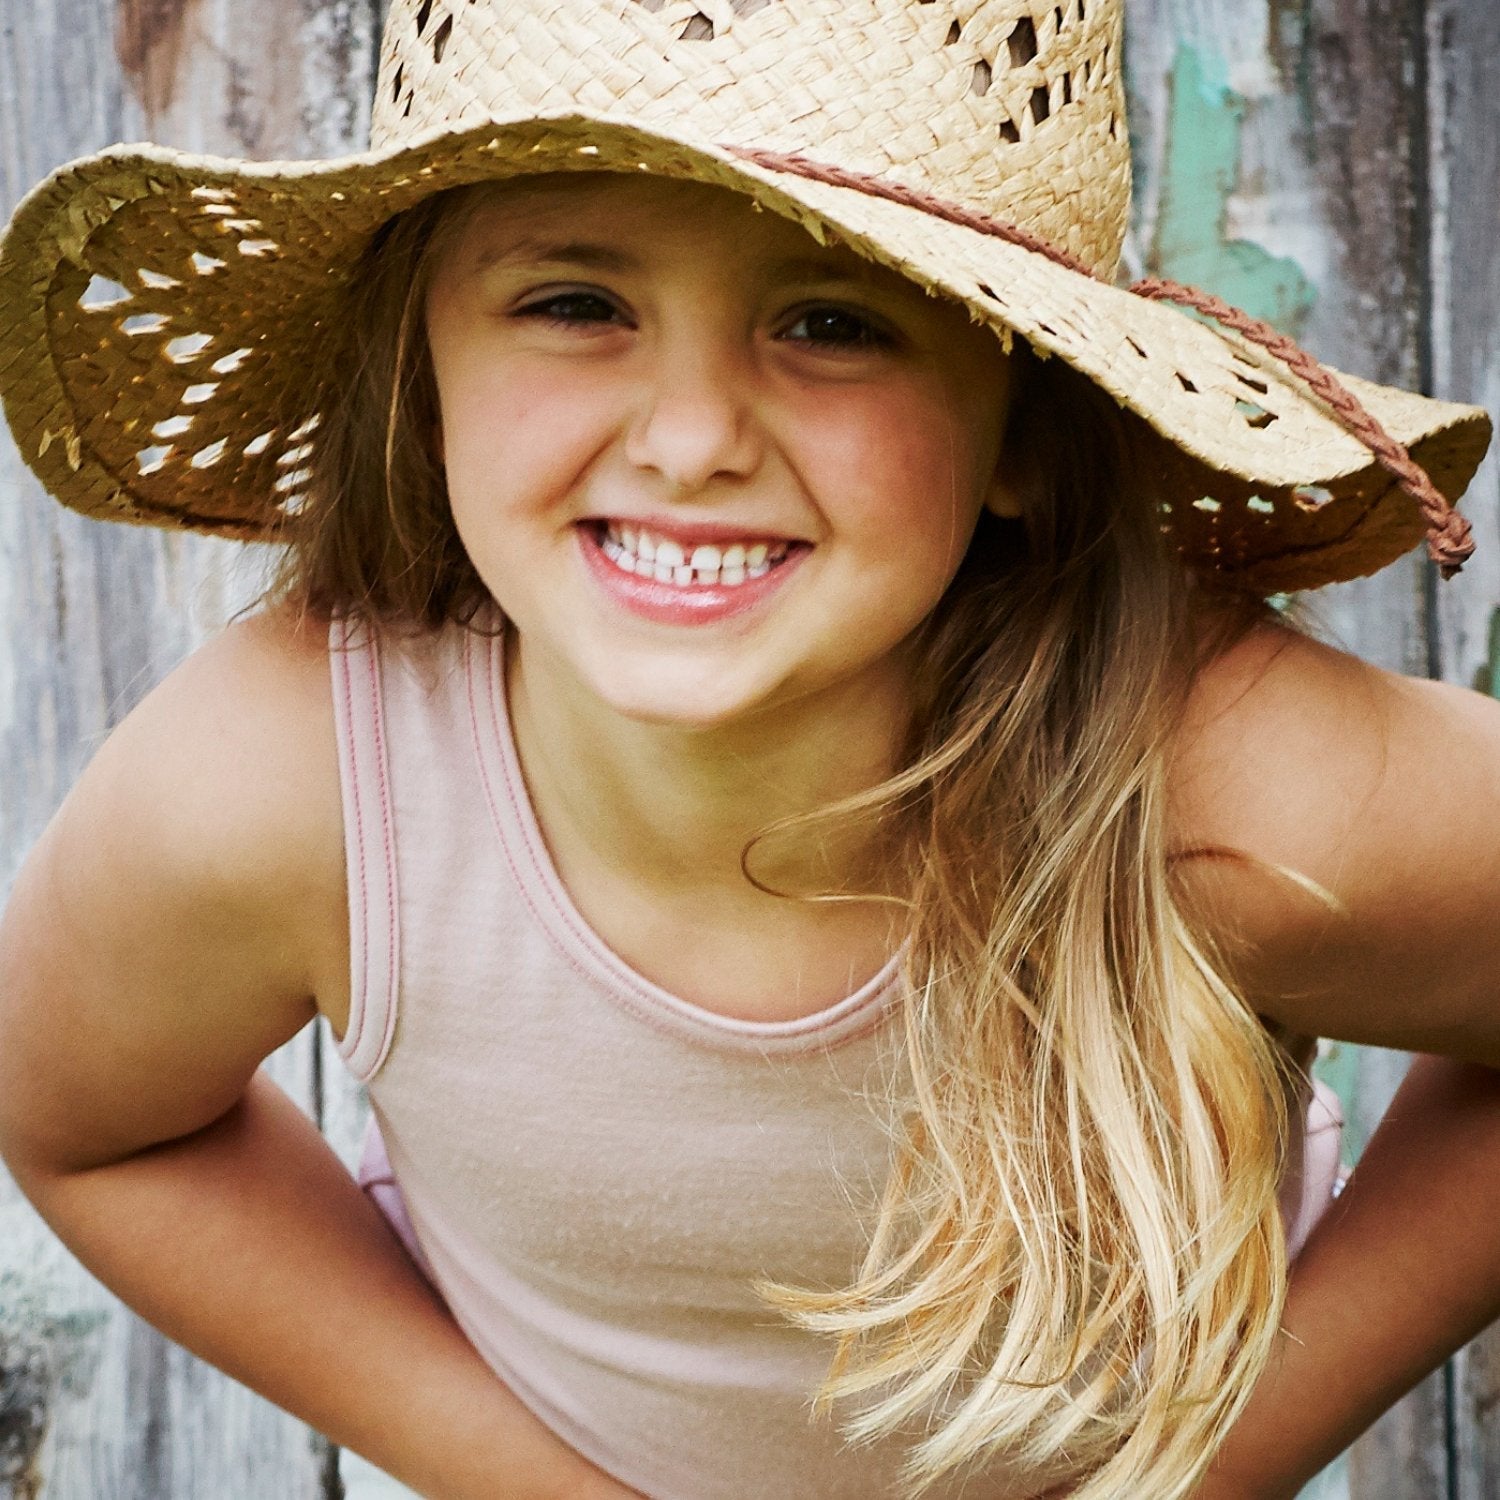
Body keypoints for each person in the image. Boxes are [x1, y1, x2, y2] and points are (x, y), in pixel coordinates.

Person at [0, 2, 1497, 1497]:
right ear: (419, 364)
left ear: (1031, 431)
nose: (691, 436)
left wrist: (1213, 1470)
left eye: (833, 322)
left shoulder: (1220, 789)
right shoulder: (291, 786)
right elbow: (93, 1129)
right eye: (576, 303)